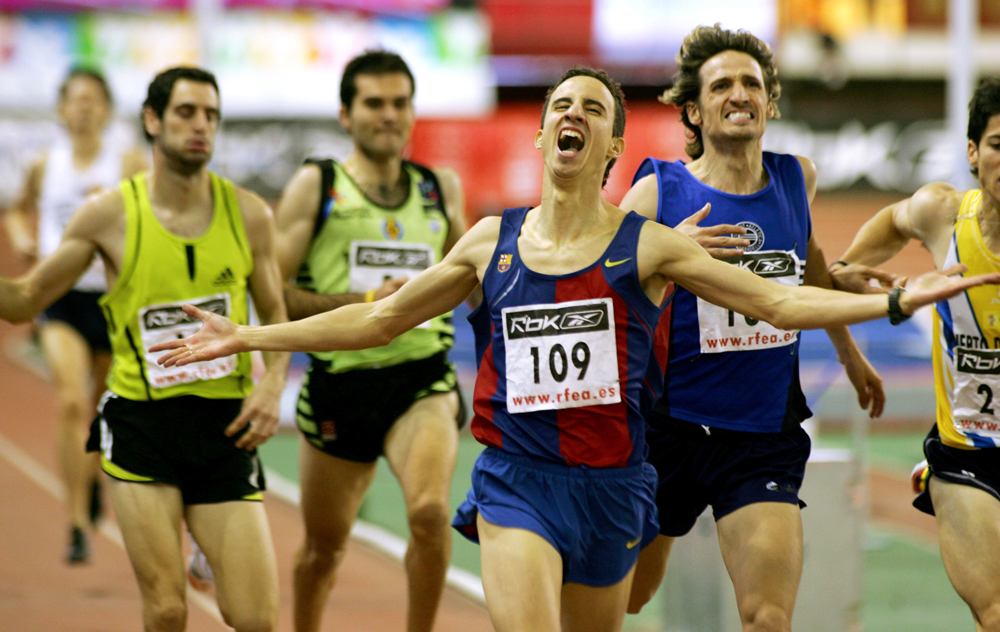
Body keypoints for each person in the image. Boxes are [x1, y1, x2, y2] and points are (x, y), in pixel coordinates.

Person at [150, 67, 997, 632]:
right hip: (518, 482)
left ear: (611, 148)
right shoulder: (490, 241)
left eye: (592, 108)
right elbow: (379, 320)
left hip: (617, 486)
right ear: (540, 137)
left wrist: (890, 297)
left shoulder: (650, 246)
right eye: (561, 105)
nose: (572, 115)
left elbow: (774, 297)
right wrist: (252, 334)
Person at [0, 66, 289, 632]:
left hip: (223, 428)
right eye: (186, 112)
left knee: (255, 618)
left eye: (210, 115)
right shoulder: (108, 215)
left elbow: (275, 316)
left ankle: (207, 541)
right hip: (142, 428)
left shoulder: (250, 214)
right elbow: (25, 299)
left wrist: (274, 384)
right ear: (153, 121)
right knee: (166, 610)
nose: (200, 125)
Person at [618, 25, 884, 631]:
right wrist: (663, 250)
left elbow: (808, 263)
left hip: (762, 435)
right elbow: (599, 282)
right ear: (693, 108)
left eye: (751, 83)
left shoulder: (799, 178)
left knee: (766, 617)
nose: (739, 94)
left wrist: (847, 352)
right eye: (722, 85)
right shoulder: (658, 191)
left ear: (769, 102)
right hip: (669, 433)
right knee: (627, 598)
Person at [272, 50, 468, 632]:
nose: (389, 115)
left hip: (421, 379)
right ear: (345, 113)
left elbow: (484, 279)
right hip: (340, 383)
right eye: (374, 103)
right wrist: (364, 305)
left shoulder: (439, 189)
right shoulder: (320, 186)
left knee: (431, 512)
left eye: (400, 103)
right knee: (323, 549)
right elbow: (273, 293)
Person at [829, 76, 1000, 632]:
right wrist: (847, 272)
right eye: (999, 145)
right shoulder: (944, 214)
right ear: (974, 153)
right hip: (966, 454)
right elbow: (893, 221)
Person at [4, 66, 147, 564]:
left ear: (107, 110)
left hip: (109, 300)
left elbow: (148, 220)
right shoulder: (47, 164)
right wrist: (24, 239)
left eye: (94, 100)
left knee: (98, 409)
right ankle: (76, 522)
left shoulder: (127, 162)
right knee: (69, 401)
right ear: (62, 110)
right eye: (76, 100)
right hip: (60, 297)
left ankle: (90, 484)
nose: (85, 109)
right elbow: (17, 209)